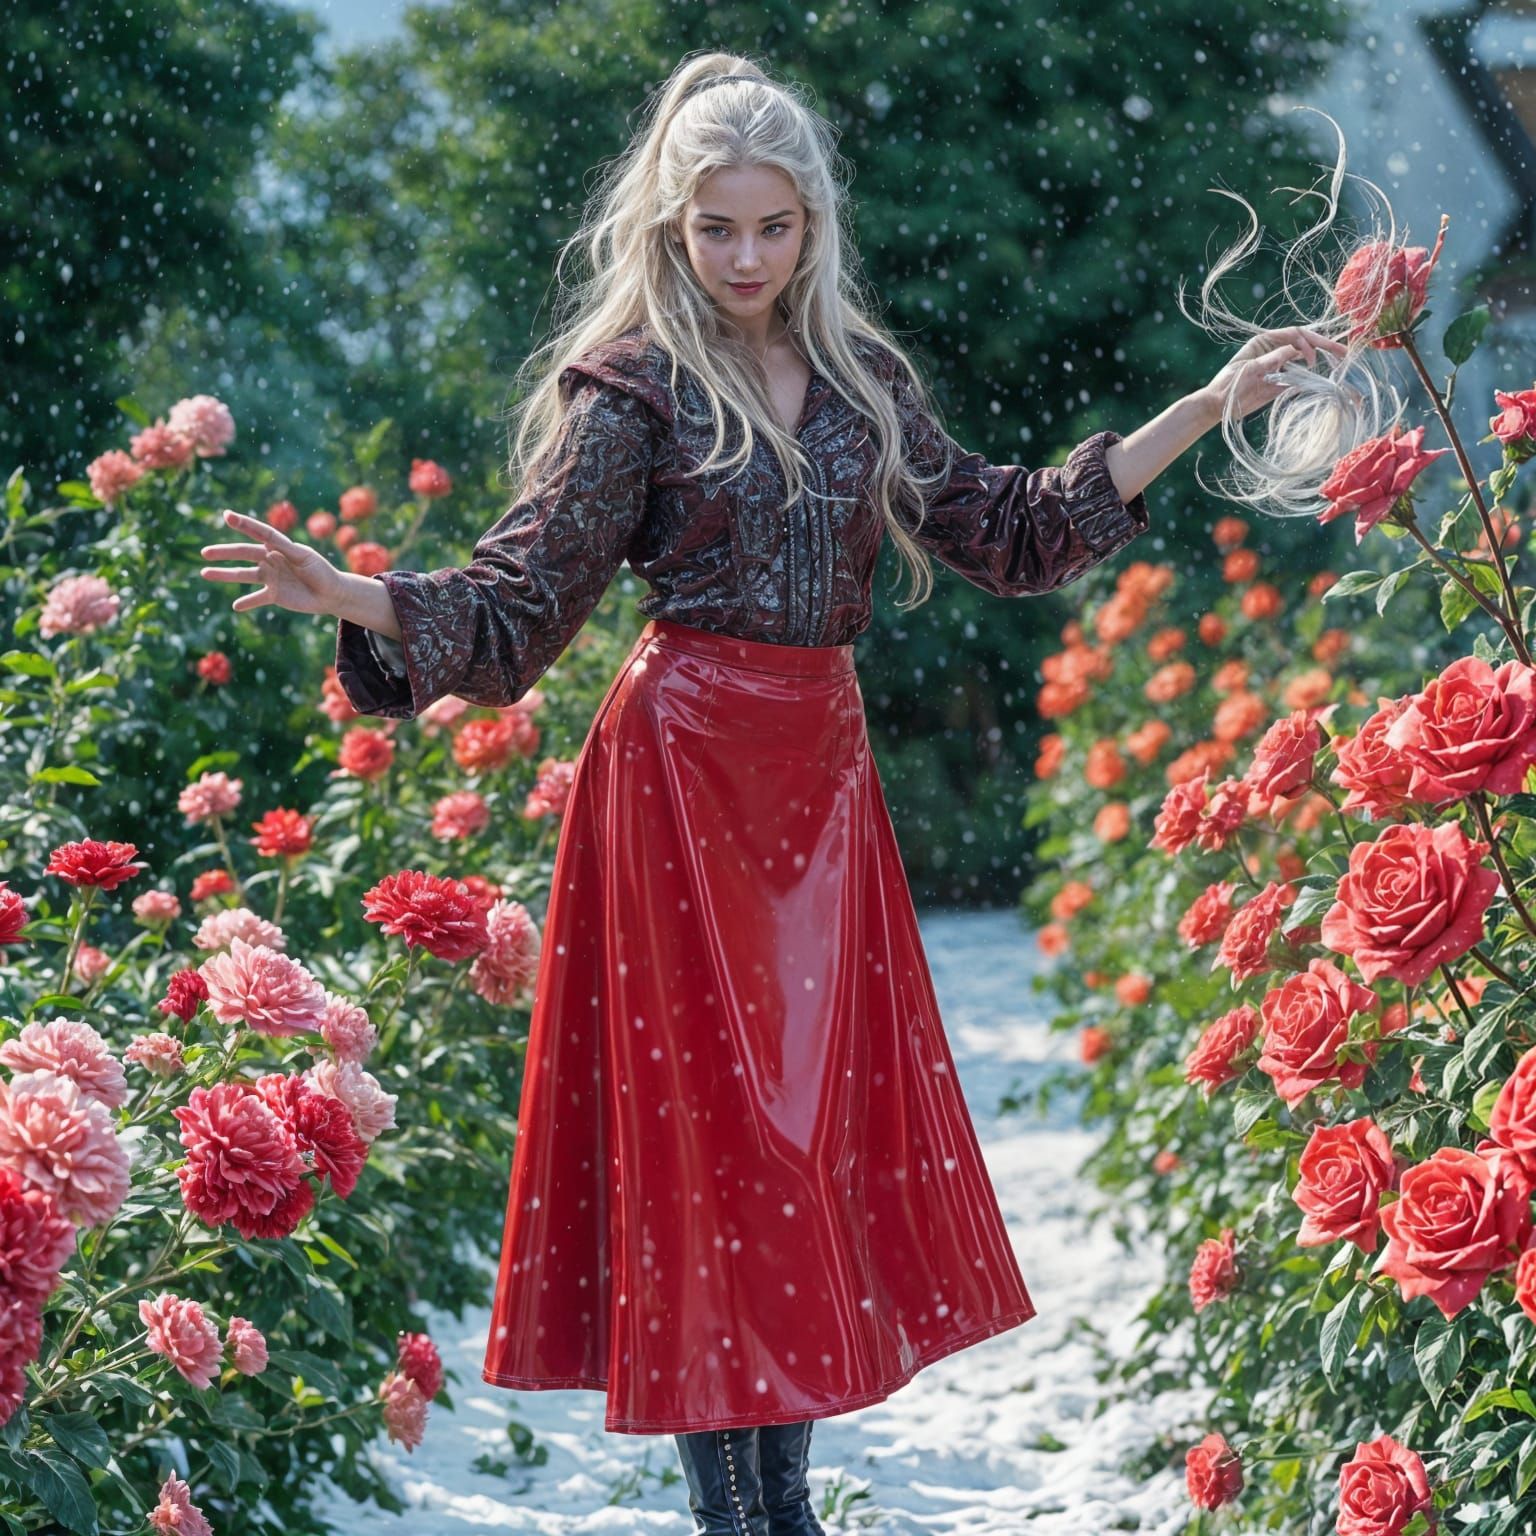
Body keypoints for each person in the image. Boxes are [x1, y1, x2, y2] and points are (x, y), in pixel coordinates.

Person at [199, 49, 1347, 1536]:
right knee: (709, 1147)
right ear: (670, 231)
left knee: (798, 1143)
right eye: (715, 230)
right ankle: (740, 1516)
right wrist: (348, 587)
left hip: (816, 775)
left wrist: (1203, 404)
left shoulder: (866, 384)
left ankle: (779, 1509)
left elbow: (1013, 528)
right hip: (678, 777)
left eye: (773, 227)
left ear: (813, 225)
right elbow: (520, 601)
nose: (745, 259)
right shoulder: (630, 393)